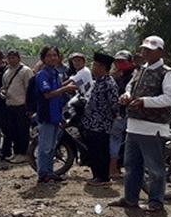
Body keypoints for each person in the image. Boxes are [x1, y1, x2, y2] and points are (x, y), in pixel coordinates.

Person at [111, 36, 171, 212]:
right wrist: (126, 95)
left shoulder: (166, 72)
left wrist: (145, 101)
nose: (145, 52)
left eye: (150, 49)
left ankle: (156, 202)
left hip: (153, 127)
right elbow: (129, 87)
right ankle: (130, 198)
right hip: (134, 126)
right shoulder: (140, 70)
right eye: (144, 49)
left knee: (155, 168)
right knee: (132, 166)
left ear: (160, 52)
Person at [33, 46, 79, 183]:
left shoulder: (55, 74)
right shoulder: (42, 75)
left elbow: (59, 97)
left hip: (55, 115)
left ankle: (49, 172)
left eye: (55, 55)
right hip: (46, 114)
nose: (52, 58)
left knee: (52, 146)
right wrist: (66, 88)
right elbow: (47, 95)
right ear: (43, 58)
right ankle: (43, 173)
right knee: (45, 146)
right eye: (49, 55)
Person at [80, 53, 119, 185]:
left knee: (100, 151)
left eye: (95, 65)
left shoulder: (109, 83)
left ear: (103, 67)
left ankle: (103, 177)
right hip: (91, 123)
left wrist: (113, 118)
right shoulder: (98, 82)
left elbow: (114, 104)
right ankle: (97, 175)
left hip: (101, 124)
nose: (93, 67)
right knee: (93, 150)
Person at [1, 49, 34, 163]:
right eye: (9, 58)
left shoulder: (25, 71)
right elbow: (4, 87)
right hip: (10, 105)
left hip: (22, 106)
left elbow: (30, 90)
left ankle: (23, 153)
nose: (11, 60)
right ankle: (16, 153)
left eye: (13, 57)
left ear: (19, 58)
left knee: (23, 131)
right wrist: (3, 93)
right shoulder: (7, 71)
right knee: (12, 131)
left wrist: (29, 107)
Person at [108, 50, 135, 179]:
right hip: (120, 113)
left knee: (116, 139)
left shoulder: (133, 76)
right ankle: (114, 167)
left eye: (122, 61)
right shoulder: (118, 75)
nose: (119, 63)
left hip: (127, 113)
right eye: (117, 61)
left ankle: (114, 167)